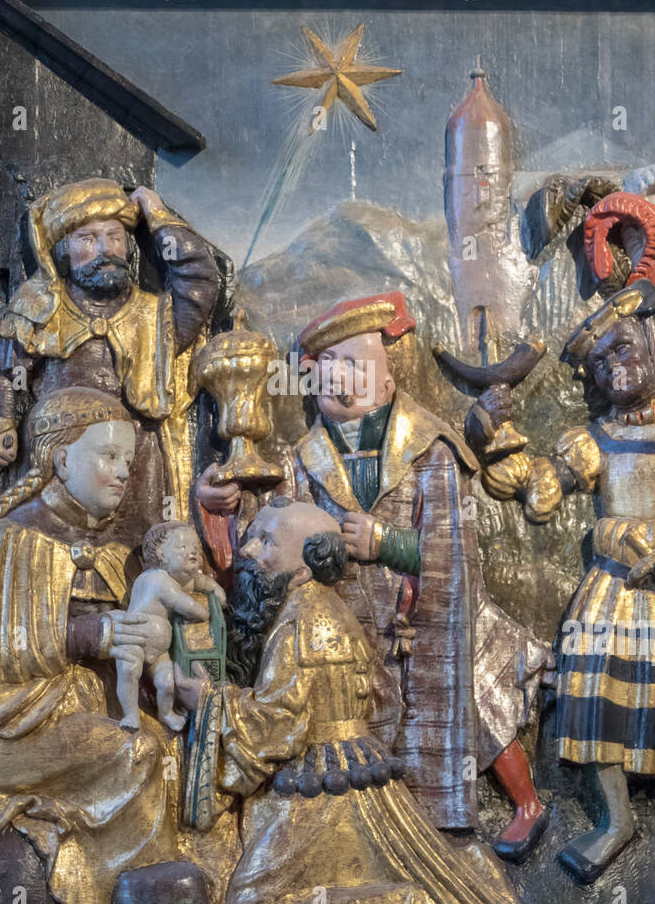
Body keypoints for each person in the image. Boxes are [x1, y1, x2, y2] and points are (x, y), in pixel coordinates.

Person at [197, 292, 550, 855]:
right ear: (311, 380)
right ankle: (365, 828)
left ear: (387, 381)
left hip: (426, 624)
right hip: (345, 629)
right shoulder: (300, 460)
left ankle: (517, 806)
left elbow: (455, 550)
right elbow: (266, 538)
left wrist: (386, 543)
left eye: (359, 367)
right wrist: (219, 506)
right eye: (332, 368)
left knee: (479, 705)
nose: (345, 381)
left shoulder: (432, 450)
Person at [177, 497, 558, 904]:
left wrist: (209, 699)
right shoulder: (316, 608)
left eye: (266, 540)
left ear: (307, 561)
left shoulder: (305, 623)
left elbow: (279, 723)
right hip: (346, 771)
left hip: (323, 783)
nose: (248, 550)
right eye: (253, 536)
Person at [472, 271, 655, 904]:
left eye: (621, 349)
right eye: (599, 364)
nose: (612, 368)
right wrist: (494, 432)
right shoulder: (597, 439)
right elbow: (540, 495)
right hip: (618, 592)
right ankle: (614, 820)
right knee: (594, 702)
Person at [0, 386, 220, 904]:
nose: (122, 474)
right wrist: (89, 636)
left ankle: (161, 885)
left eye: (129, 461)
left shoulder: (115, 552)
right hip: (8, 726)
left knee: (175, 747)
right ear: (60, 459)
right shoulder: (11, 540)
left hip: (82, 711)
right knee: (135, 751)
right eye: (107, 457)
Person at [0, 178, 223, 536]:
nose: (105, 249)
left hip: (140, 468)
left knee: (140, 558)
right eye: (88, 239)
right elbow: (3, 369)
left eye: (116, 237)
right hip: (60, 466)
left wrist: (157, 217)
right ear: (64, 250)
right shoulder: (44, 307)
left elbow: (200, 279)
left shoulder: (156, 318)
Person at [120, 522, 226, 732]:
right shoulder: (155, 578)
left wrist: (216, 592)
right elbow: (185, 605)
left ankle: (166, 713)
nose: (193, 552)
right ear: (161, 553)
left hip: (159, 650)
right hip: (134, 641)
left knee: (167, 683)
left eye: (195, 548)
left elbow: (205, 585)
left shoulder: (183, 579)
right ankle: (130, 714)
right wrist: (206, 612)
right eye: (183, 547)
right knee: (128, 672)